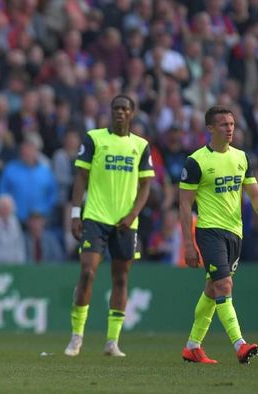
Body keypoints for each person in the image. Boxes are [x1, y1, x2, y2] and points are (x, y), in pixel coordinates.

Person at [179, 106, 258, 364]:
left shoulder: (241, 158)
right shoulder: (197, 161)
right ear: (210, 128)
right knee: (224, 285)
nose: (230, 128)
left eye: (232, 123)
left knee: (213, 289)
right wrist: (188, 245)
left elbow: (255, 194)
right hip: (209, 230)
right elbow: (184, 205)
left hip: (235, 232)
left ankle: (192, 346)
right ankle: (240, 345)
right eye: (223, 124)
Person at [65, 95, 154, 357]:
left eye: (125, 109)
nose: (120, 113)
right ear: (110, 112)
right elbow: (81, 178)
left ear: (132, 114)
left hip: (126, 222)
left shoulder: (141, 145)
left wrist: (133, 214)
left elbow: (146, 184)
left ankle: (112, 342)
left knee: (121, 278)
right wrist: (75, 213)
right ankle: (76, 337)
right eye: (116, 108)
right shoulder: (94, 139)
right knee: (87, 273)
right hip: (95, 217)